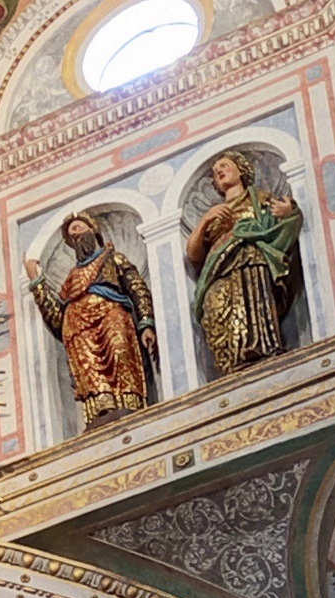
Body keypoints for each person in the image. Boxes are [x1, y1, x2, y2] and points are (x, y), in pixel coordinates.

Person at [29, 209, 157, 423]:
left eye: (80, 229)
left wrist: (146, 322)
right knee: (90, 368)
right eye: (72, 235)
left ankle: (128, 403)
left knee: (119, 354)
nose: (76, 235)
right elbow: (56, 321)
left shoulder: (113, 259)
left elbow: (137, 288)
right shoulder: (71, 279)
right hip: (79, 329)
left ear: (93, 231)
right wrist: (36, 282)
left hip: (111, 315)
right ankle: (100, 409)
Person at [184, 149, 303, 376]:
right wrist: (206, 220)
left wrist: (289, 210)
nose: (219, 171)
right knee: (216, 308)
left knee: (252, 299)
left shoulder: (259, 199)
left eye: (225, 166)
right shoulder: (214, 212)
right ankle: (231, 359)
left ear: (241, 171)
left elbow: (281, 222)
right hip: (217, 269)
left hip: (250, 260)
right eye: (216, 172)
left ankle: (259, 349)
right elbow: (194, 254)